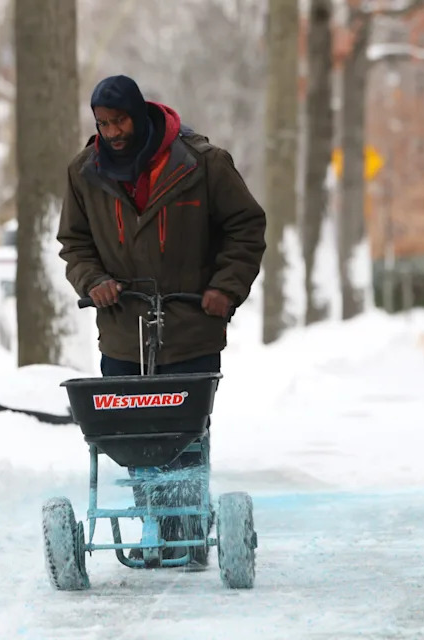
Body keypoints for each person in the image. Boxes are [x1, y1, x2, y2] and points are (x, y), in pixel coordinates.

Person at [57, 75, 266, 564]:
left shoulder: (201, 163)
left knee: (185, 435)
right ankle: (157, 528)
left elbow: (245, 227)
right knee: (135, 439)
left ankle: (186, 532)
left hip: (190, 323)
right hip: (123, 329)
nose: (112, 133)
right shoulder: (85, 171)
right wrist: (92, 281)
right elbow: (75, 242)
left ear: (139, 112)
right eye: (103, 124)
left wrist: (224, 289)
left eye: (120, 120)